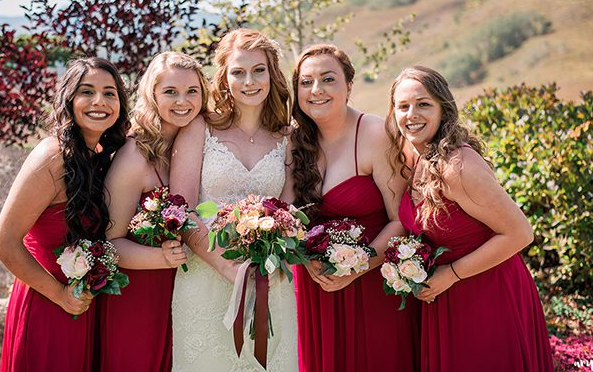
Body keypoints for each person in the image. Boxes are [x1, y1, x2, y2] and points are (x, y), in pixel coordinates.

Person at [388, 66, 552, 372]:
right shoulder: (418, 159)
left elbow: (519, 233)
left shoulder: (458, 164)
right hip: (447, 296)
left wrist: (450, 274)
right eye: (403, 106)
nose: (412, 114)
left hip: (488, 294)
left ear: (443, 108)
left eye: (424, 104)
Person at [169, 28, 299, 371]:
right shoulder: (200, 128)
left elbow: (290, 212)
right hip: (206, 275)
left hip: (270, 280)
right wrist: (224, 264)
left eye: (259, 70)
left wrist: (271, 261)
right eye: (238, 72)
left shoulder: (288, 138)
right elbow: (180, 209)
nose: (249, 81)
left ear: (272, 74)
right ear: (224, 78)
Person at [0, 57, 129, 372]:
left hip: (82, 307)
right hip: (48, 305)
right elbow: (3, 241)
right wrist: (61, 295)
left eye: (110, 93)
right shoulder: (52, 157)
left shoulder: (99, 157)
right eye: (87, 92)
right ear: (69, 99)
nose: (100, 101)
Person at [289, 44, 414, 371]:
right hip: (316, 286)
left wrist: (358, 266)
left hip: (370, 285)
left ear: (349, 86)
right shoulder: (295, 142)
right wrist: (306, 258)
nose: (316, 90)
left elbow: (401, 218)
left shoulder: (374, 133)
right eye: (306, 82)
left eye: (328, 79)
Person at [100, 52, 205, 371]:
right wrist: (161, 258)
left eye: (192, 91)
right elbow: (108, 243)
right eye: (170, 92)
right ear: (152, 94)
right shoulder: (134, 156)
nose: (183, 101)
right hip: (140, 296)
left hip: (189, 291)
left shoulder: (198, 143)